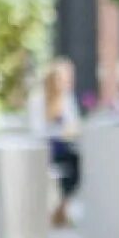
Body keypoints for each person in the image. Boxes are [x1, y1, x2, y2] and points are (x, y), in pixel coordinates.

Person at [42, 57, 81, 227]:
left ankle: (61, 209)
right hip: (45, 149)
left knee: (77, 164)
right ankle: (60, 212)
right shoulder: (38, 100)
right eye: (61, 78)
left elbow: (74, 124)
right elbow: (38, 131)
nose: (64, 83)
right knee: (68, 163)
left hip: (65, 148)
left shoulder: (67, 99)